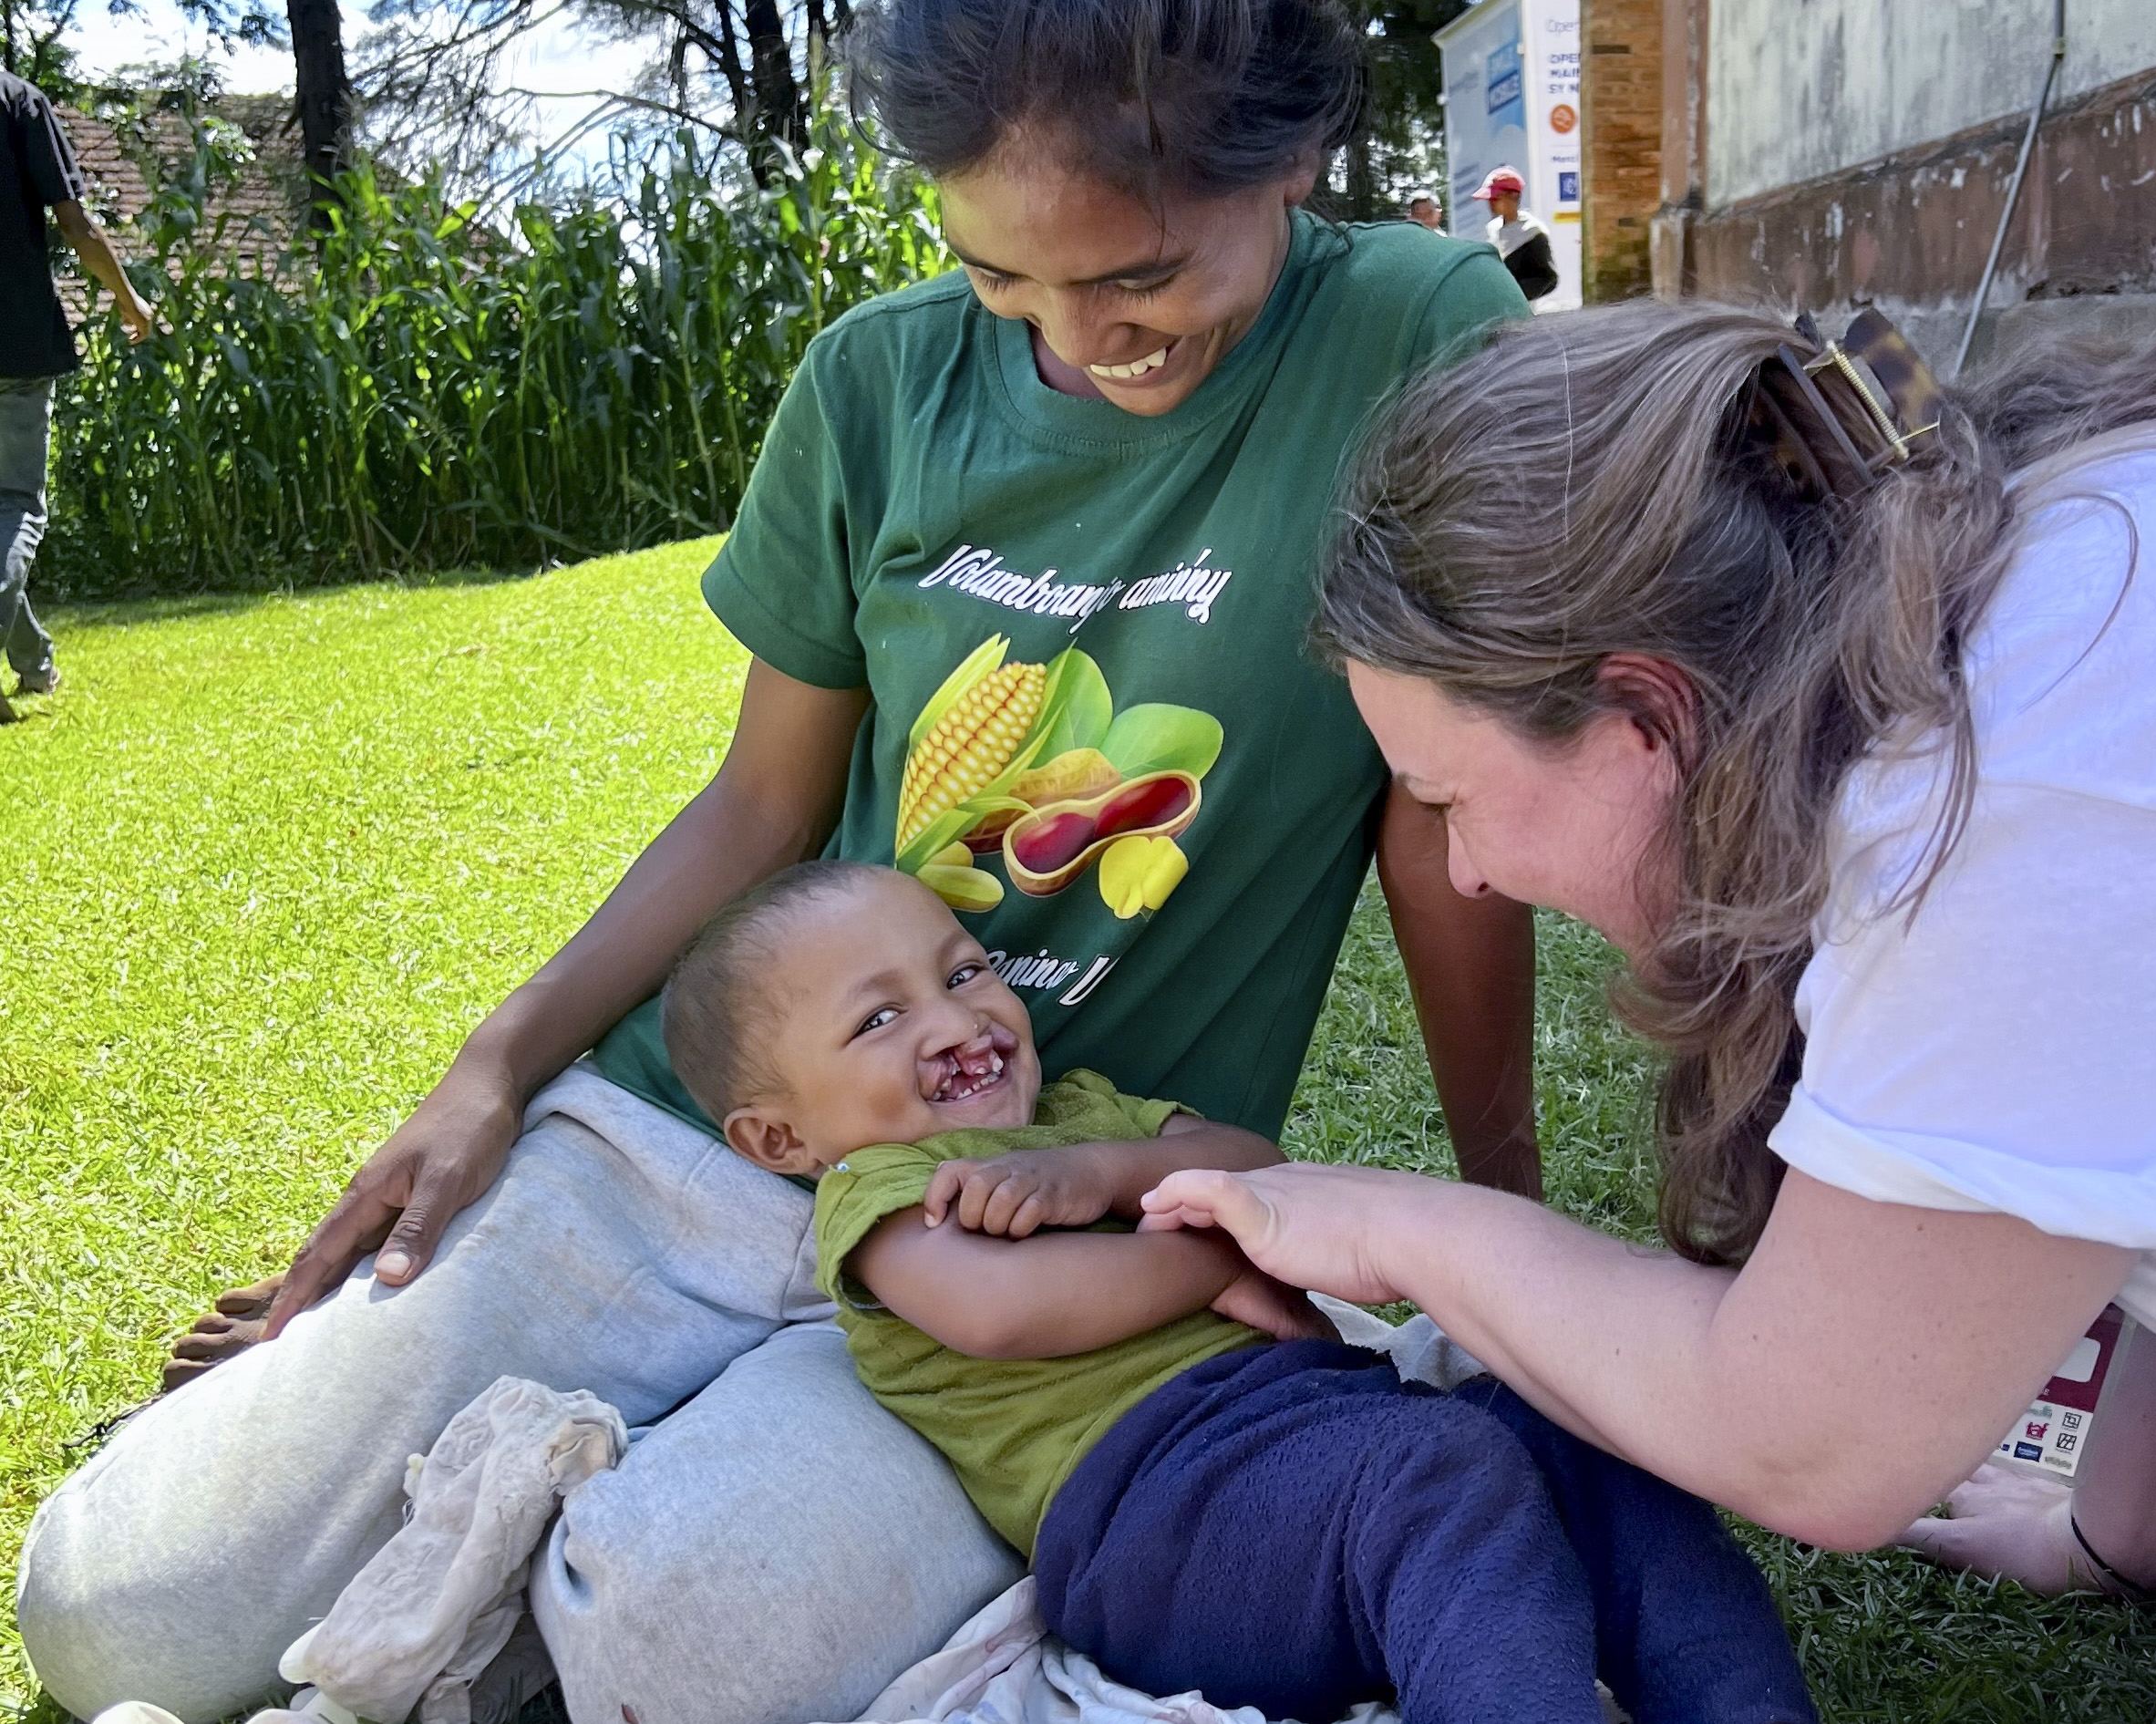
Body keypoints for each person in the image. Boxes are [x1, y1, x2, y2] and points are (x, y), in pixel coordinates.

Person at [13, 0, 1539, 1715]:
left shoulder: (1417, 335)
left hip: (1032, 1235)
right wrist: (492, 1069)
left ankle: (557, 1508)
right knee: (112, 1612)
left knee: (694, 1644)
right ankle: (441, 1443)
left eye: (1138, 279)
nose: (1076, 335)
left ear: (1298, 159)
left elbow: (1442, 817)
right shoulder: (875, 380)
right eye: (1001, 279)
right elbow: (760, 809)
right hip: (704, 1138)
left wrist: (1507, 1230)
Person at [1137, 301, 2156, 1721]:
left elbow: (1809, 1437)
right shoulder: (2051, 573)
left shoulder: (2006, 790)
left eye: (1451, 796)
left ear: (1649, 716)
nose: (1465, 866)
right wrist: (2126, 1520)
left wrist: (1399, 1223)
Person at [661, 859, 1817, 1724]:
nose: (956, 1019)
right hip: (1155, 1522)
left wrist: (1101, 1169)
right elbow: (1006, 1310)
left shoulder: (1082, 1115)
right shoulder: (878, 1192)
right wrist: (1228, 1256)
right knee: (1445, 1473)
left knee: (1572, 1433)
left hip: (1324, 1451)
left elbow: (1264, 1168)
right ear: (777, 1136)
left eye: (963, 971)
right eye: (880, 1017)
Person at [0, 69, 156, 724]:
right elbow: (75, 224)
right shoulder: (19, 102)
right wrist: (131, 298)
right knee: (15, 505)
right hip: (17, 342)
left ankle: (35, 664)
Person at [1480, 166, 1555, 302]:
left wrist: (1513, 295)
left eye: (1495, 198)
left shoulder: (1532, 232)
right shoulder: (1492, 230)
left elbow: (1548, 278)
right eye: (1489, 198)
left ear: (1513, 196)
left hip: (1526, 313)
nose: (1490, 203)